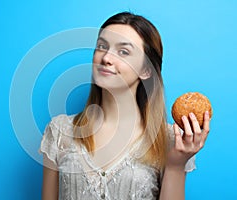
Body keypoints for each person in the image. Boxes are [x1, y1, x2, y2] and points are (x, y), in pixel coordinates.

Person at [40, 11, 210, 200]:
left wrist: (176, 166)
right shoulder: (60, 132)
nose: (106, 58)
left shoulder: (170, 141)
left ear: (146, 70)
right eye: (102, 46)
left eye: (123, 52)